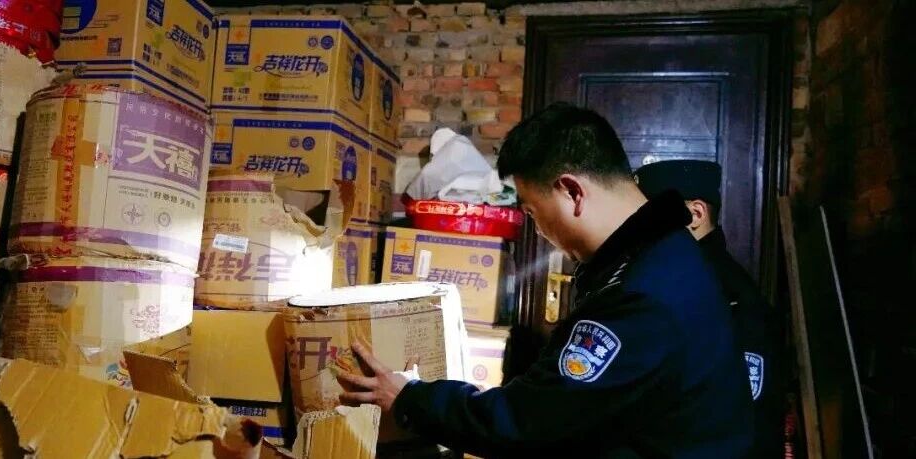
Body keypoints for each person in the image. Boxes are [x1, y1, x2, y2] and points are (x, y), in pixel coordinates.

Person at [336, 102, 754, 458]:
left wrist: (409, 399)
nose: (538, 231)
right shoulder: (662, 251)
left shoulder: (642, 293)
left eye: (533, 213)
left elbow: (529, 422)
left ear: (572, 192)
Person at [635, 159, 786, 458]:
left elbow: (744, 413)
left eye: (649, 216)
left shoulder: (726, 293)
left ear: (695, 214)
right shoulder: (674, 279)